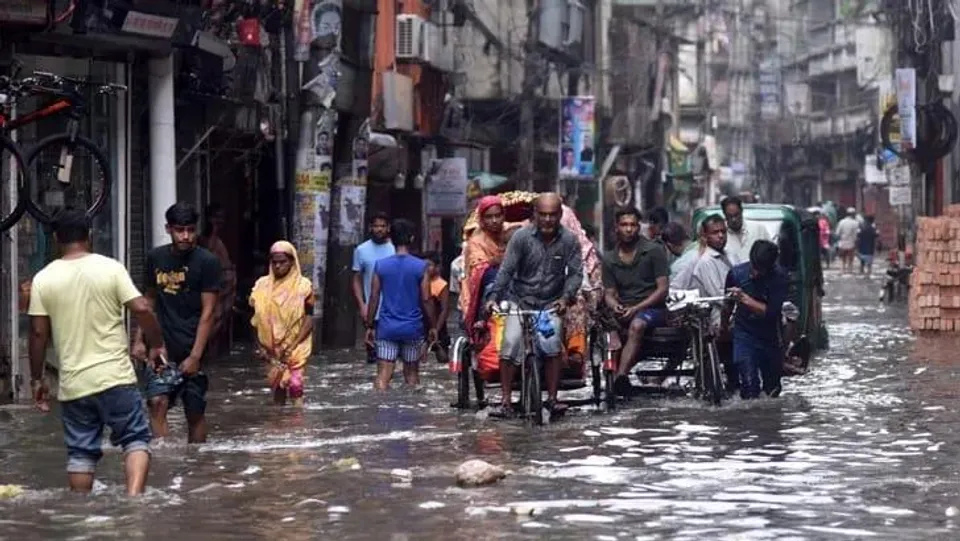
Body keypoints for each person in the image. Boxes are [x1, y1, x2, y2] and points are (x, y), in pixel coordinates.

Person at [28, 210, 166, 495]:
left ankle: (81, 513)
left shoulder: (43, 279)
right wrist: (157, 344)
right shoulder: (110, 268)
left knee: (80, 454)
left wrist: (36, 379)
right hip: (115, 378)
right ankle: (134, 499)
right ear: (89, 235)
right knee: (135, 440)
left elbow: (39, 334)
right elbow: (142, 308)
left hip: (74, 385)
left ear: (56, 239)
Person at [486, 193, 584, 416]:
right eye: (543, 215)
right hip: (520, 300)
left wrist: (565, 298)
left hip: (551, 303)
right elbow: (507, 270)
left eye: (552, 215)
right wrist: (492, 297)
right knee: (510, 344)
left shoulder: (569, 240)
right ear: (535, 215)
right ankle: (505, 401)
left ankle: (552, 398)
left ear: (560, 215)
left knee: (551, 348)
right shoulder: (520, 238)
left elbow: (576, 274)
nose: (548, 220)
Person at [135, 202, 222, 444]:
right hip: (161, 348)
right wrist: (139, 340)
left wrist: (195, 355)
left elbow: (209, 312)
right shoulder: (156, 258)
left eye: (190, 230)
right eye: (179, 230)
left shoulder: (207, 262)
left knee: (194, 411)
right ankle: (164, 464)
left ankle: (195, 464)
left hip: (194, 345)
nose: (185, 236)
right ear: (168, 229)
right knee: (157, 402)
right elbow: (148, 301)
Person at [601, 207, 670, 395]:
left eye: (632, 225)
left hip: (652, 309)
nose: (629, 229)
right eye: (624, 225)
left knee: (637, 325)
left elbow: (663, 289)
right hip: (623, 308)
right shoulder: (608, 258)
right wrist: (614, 305)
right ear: (616, 227)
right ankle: (611, 376)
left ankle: (621, 377)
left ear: (638, 227)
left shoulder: (653, 251)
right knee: (609, 331)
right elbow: (609, 293)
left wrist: (637, 308)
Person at [365, 219, 437, 391]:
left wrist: (369, 325)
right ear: (412, 239)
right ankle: (412, 411)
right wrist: (433, 326)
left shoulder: (381, 265)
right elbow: (426, 299)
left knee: (383, 375)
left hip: (387, 328)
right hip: (412, 328)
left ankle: (379, 411)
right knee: (412, 375)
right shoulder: (421, 267)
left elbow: (374, 297)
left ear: (391, 239)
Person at [249, 241, 315, 406]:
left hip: (296, 344)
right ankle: (279, 422)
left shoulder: (303, 287)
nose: (278, 266)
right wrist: (260, 347)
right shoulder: (261, 287)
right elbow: (255, 319)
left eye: (282, 262)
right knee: (278, 384)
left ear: (292, 262)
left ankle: (297, 422)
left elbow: (309, 318)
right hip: (272, 347)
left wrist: (293, 344)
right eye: (274, 262)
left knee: (295, 384)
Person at [725, 240, 788, 399]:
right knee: (748, 383)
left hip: (770, 336)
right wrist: (723, 326)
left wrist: (744, 299)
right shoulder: (736, 274)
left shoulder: (779, 277)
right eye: (753, 267)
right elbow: (727, 306)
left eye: (760, 270)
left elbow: (772, 312)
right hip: (744, 334)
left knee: (772, 389)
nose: (754, 274)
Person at [352, 212, 395, 363]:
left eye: (382, 226)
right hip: (371, 312)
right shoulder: (361, 250)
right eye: (376, 226)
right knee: (373, 357)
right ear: (370, 228)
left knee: (390, 357)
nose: (379, 229)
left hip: (392, 311)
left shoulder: (394, 249)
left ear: (388, 228)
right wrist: (362, 305)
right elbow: (356, 280)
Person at [200, 203, 236, 358]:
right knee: (213, 321)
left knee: (220, 324)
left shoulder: (217, 240)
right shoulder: (207, 240)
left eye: (222, 218)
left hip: (225, 286)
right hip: (217, 287)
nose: (220, 221)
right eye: (216, 217)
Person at [721, 196, 770, 265]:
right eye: (730, 216)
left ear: (741, 211)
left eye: (736, 215)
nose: (734, 220)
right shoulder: (721, 236)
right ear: (724, 215)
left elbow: (771, 253)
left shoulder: (759, 229)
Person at [423, 251, 451, 363]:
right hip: (422, 324)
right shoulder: (420, 283)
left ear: (437, 267)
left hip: (439, 325)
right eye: (424, 266)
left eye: (429, 265)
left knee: (443, 358)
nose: (426, 269)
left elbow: (444, 310)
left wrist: (437, 329)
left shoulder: (441, 284)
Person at [836, 208, 860, 274]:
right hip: (851, 243)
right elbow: (856, 234)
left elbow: (837, 233)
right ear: (853, 214)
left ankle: (842, 270)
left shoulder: (841, 222)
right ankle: (850, 270)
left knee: (842, 258)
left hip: (842, 243)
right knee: (850, 258)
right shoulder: (856, 223)